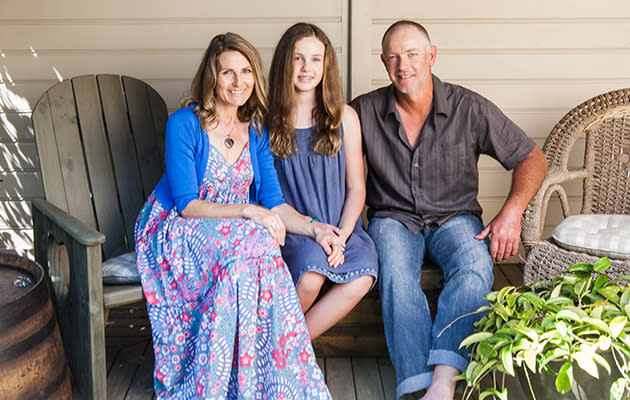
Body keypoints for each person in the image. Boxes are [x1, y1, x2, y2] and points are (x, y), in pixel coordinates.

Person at [350, 20, 548, 400]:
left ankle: (444, 379)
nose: (402, 65)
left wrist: (511, 212)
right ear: (383, 62)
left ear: (431, 57)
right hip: (393, 218)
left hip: (455, 218)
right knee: (393, 269)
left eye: (411, 55)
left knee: (476, 264)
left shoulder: (468, 107)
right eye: (393, 57)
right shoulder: (364, 112)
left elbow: (531, 158)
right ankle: (416, 385)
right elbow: (330, 164)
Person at [134, 32, 333, 399]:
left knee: (253, 251)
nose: (238, 82)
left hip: (235, 234)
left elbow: (274, 202)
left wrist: (315, 229)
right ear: (212, 76)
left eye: (246, 72)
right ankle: (218, 384)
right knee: (255, 241)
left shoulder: (256, 129)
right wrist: (247, 211)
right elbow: (186, 204)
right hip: (175, 229)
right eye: (228, 73)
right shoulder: (185, 123)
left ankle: (266, 382)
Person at [266, 22, 378, 340]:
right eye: (298, 58)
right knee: (311, 274)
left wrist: (342, 234)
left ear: (326, 65)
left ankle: (287, 350)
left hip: (341, 227)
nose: (307, 68)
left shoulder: (344, 117)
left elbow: (357, 186)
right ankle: (278, 348)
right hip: (296, 229)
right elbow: (267, 194)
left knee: (362, 276)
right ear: (284, 63)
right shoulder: (266, 121)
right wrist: (312, 229)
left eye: (316, 59)